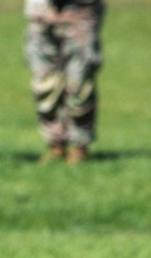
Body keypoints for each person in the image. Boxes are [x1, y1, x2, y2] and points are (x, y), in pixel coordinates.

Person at [24, 0, 105, 163]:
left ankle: (79, 146)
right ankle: (55, 145)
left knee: (79, 82)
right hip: (41, 9)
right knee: (45, 84)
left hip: (80, 8)